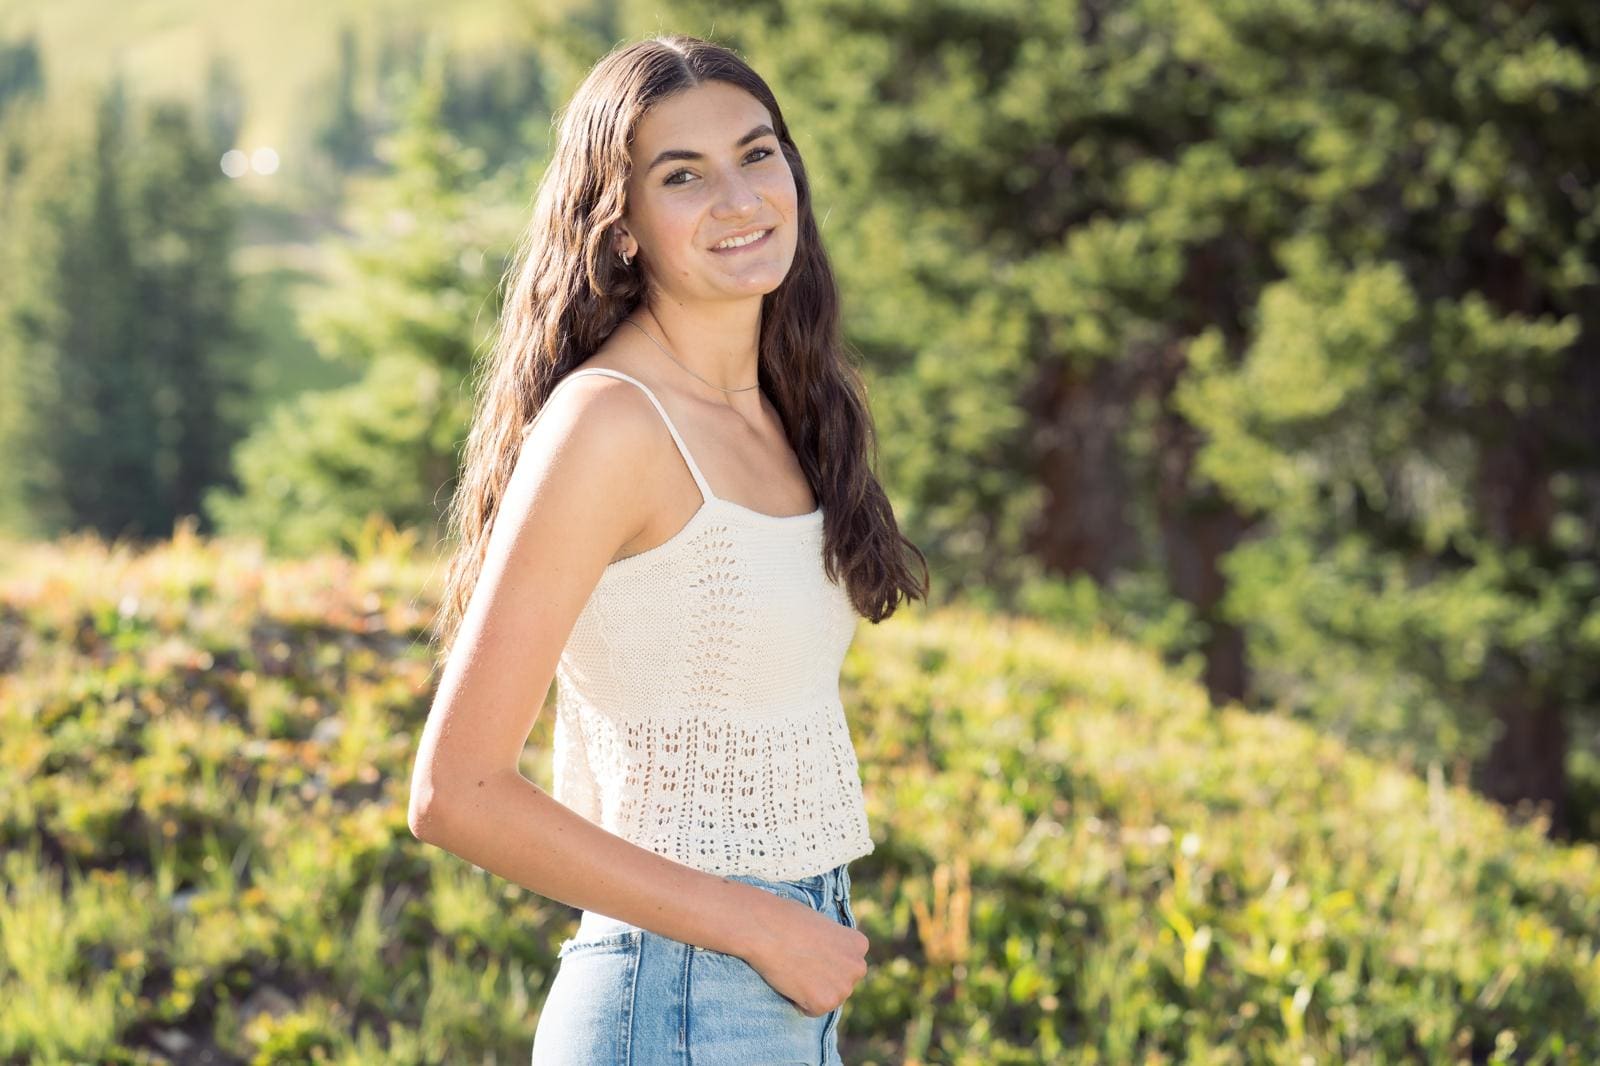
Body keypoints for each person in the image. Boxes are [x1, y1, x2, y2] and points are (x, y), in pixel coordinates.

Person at [408, 32, 929, 1065]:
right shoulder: (613, 422)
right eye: (682, 176)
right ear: (623, 225)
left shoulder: (782, 410)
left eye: (757, 152)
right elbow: (454, 791)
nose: (739, 198)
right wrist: (758, 924)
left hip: (765, 995)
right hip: (684, 995)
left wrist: (786, 935)